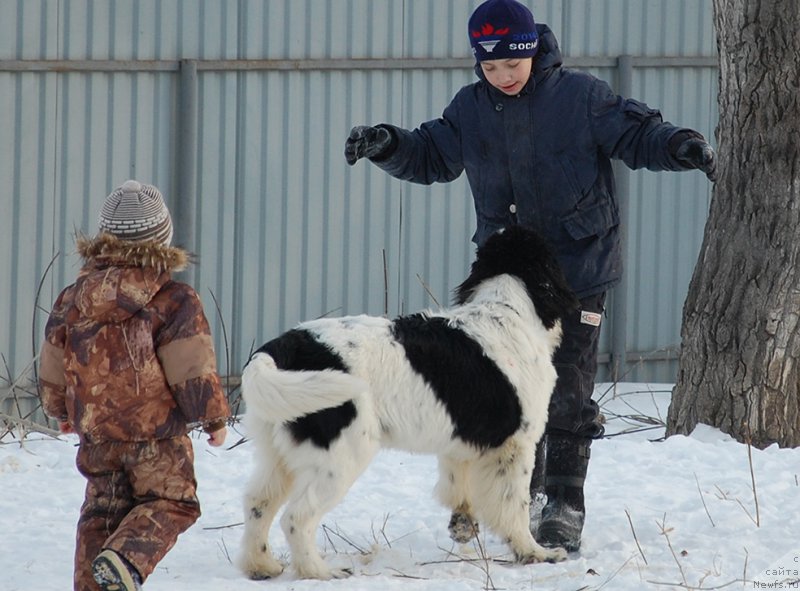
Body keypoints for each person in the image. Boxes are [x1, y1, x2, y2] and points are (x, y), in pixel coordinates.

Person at [344, 0, 715, 553]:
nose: (503, 77)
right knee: (504, 389)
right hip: (504, 280)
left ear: (532, 50)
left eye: (511, 65)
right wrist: (388, 145)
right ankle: (523, 494)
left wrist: (680, 146)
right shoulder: (470, 108)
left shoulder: (581, 98)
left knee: (567, 387)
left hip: (578, 270)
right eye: (490, 68)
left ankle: (564, 502)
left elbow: (639, 134)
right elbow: (430, 156)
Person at [38, 180, 231, 591]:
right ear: (163, 237)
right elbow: (191, 366)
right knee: (173, 502)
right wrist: (212, 416)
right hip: (156, 436)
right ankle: (125, 559)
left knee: (101, 513)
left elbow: (55, 360)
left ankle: (95, 583)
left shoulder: (74, 296)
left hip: (98, 434)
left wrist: (59, 409)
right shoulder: (175, 299)